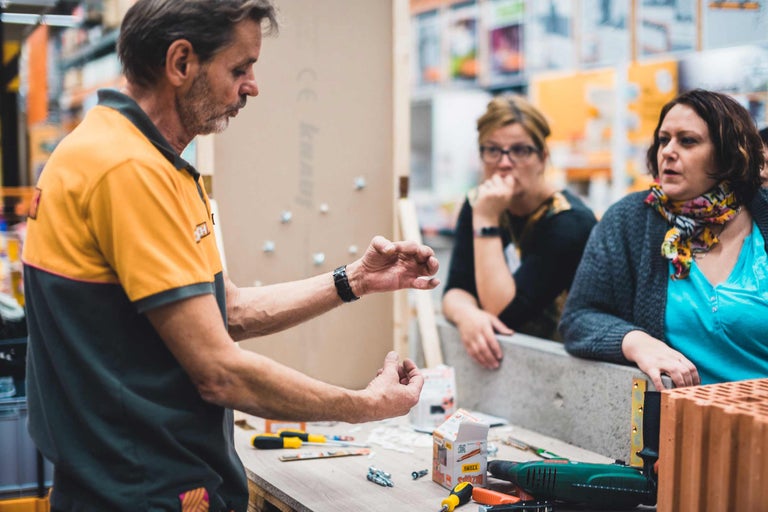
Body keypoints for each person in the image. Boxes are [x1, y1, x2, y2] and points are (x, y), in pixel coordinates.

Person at [21, 2, 439, 511]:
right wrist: (364, 406)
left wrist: (355, 280)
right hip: (144, 491)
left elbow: (227, 311)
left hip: (130, 482)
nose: (252, 86)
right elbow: (219, 370)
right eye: (239, 68)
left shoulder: (123, 152)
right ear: (181, 63)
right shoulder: (127, 170)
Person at [561, 89, 768, 392]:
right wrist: (635, 342)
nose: (668, 151)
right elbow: (578, 319)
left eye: (688, 141)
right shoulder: (629, 219)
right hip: (676, 426)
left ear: (728, 154)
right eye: (663, 140)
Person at [441, 94, 597, 369]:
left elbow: (505, 313)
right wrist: (467, 315)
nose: (504, 162)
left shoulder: (570, 221)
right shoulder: (478, 203)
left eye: (521, 150)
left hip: (558, 369)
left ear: (542, 158)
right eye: (492, 149)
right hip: (498, 367)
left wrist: (486, 219)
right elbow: (456, 289)